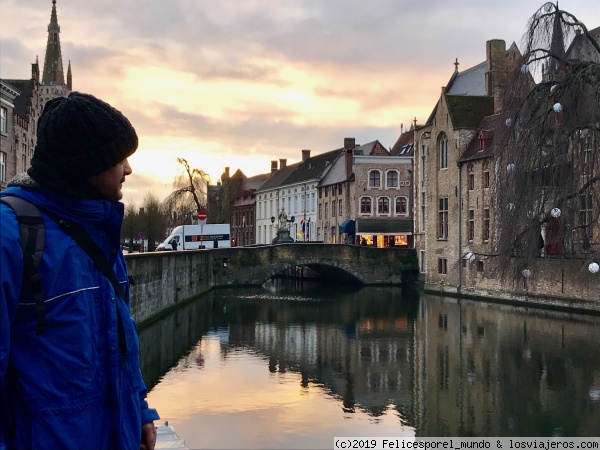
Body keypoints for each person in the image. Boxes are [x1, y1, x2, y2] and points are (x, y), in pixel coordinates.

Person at [0, 92, 159, 449]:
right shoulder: (11, 236)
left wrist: (140, 410)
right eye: (119, 158)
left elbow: (120, 345)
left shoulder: (101, 235)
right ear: (88, 164)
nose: (128, 170)